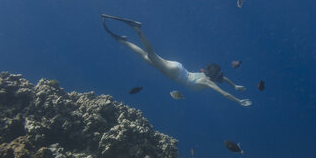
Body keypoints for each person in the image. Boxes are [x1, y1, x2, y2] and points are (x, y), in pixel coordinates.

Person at [101, 14, 252, 106]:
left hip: (178, 67)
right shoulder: (208, 82)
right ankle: (138, 30)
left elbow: (223, 78)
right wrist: (239, 101)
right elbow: (223, 93)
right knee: (150, 54)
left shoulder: (208, 77)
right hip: (173, 72)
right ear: (214, 78)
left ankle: (122, 40)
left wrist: (235, 86)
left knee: (146, 57)